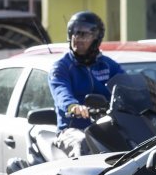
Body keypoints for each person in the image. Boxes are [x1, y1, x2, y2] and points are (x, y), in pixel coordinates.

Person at [49, 11, 124, 157]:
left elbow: (126, 86)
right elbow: (60, 91)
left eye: (85, 34)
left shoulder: (108, 66)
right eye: (75, 33)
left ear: (97, 38)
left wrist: (146, 97)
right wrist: (73, 106)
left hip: (106, 125)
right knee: (83, 142)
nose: (78, 38)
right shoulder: (61, 67)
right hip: (72, 129)